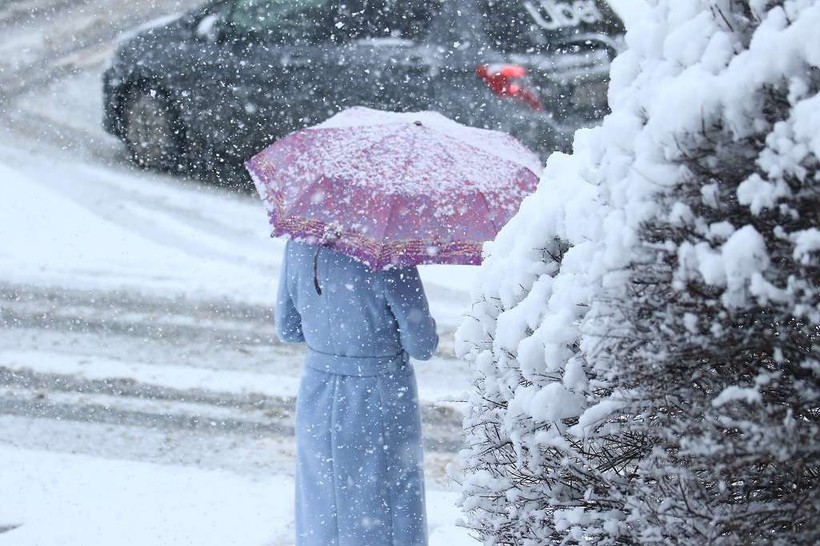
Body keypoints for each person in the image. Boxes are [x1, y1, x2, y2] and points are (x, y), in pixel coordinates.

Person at [275, 239, 439, 546]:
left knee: (322, 506)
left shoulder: (299, 245)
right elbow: (422, 345)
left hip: (317, 393)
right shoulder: (388, 251)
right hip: (379, 394)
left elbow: (288, 328)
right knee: (388, 505)